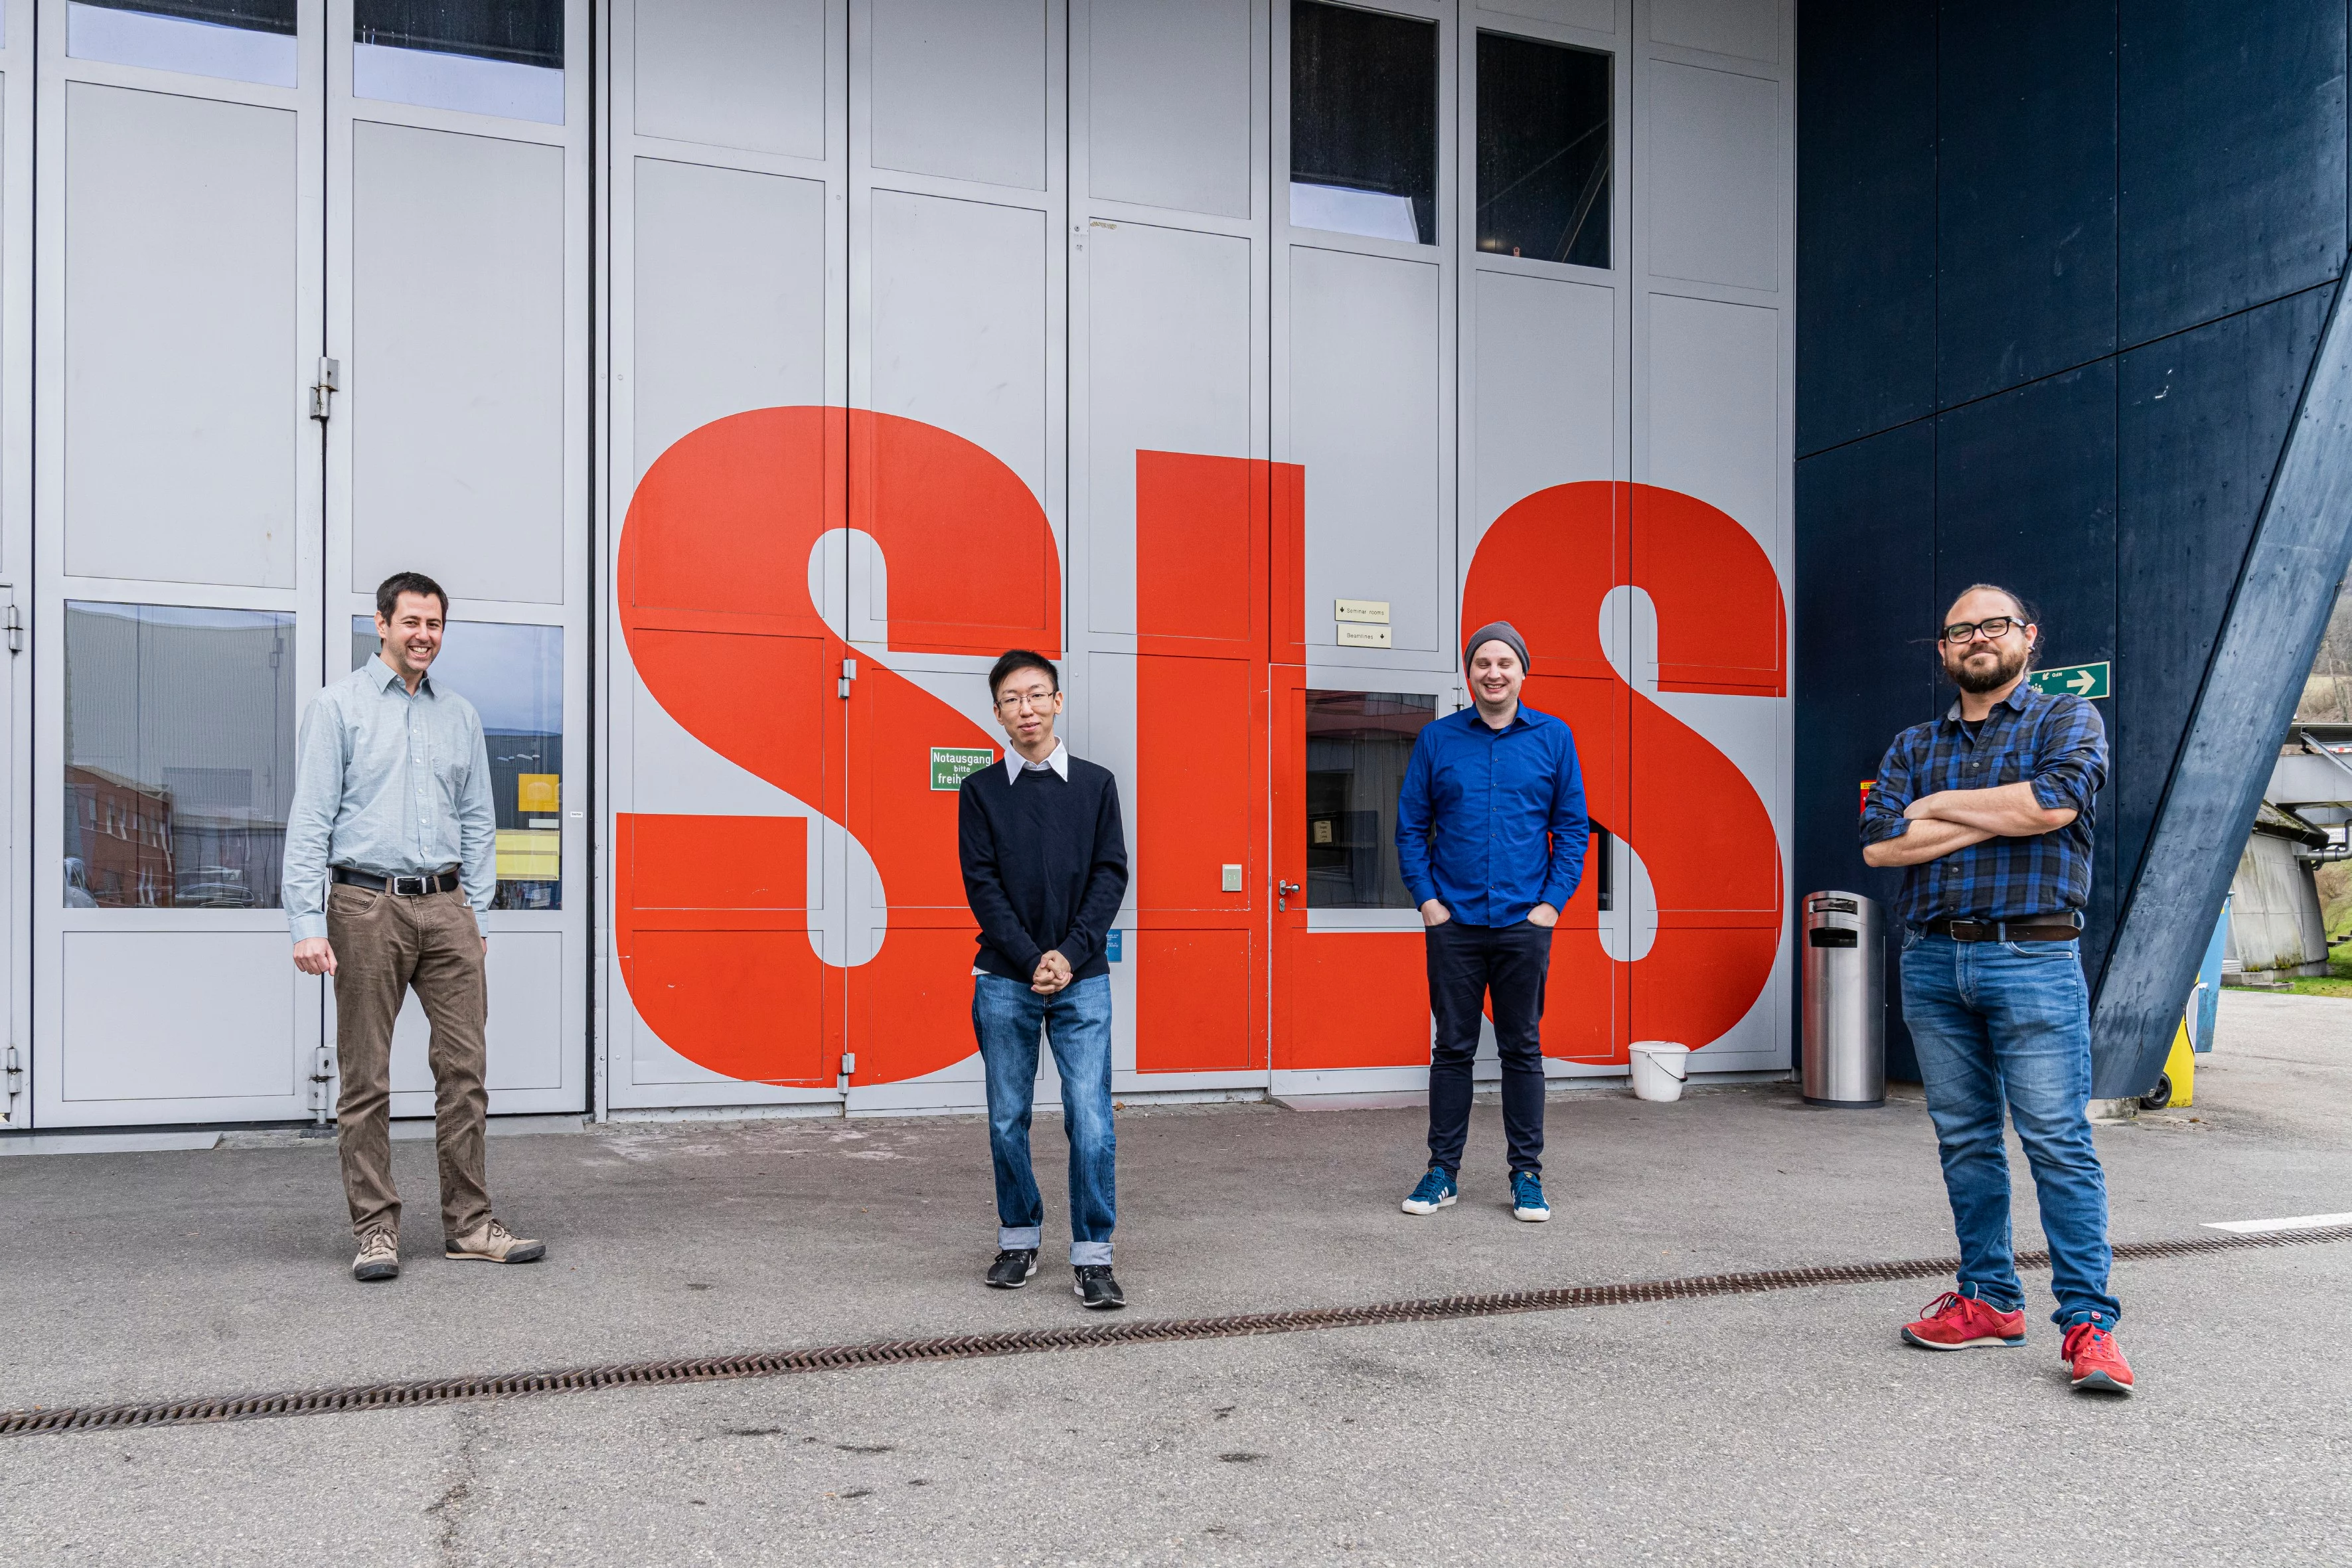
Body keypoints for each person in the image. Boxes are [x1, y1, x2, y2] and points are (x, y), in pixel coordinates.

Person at [1861, 584, 2131, 1395]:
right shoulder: (1912, 743)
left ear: (2027, 637)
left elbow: (2052, 804)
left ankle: (2089, 1325)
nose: (1977, 638)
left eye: (1994, 625)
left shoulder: (2066, 720)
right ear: (1944, 650)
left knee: (2056, 1140)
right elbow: (1880, 844)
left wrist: (1938, 806)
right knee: (1966, 1141)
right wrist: (1995, 812)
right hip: (1933, 960)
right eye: (1960, 630)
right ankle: (1988, 1299)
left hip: (2033, 957)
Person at [284, 572, 544, 1283]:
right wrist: (306, 920)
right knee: (365, 1077)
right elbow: (310, 819)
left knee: (465, 1071)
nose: (424, 635)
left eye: (434, 624)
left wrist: (476, 911)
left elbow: (478, 819)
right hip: (365, 905)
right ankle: (375, 1230)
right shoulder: (338, 707)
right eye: (411, 622)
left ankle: (470, 1225)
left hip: (447, 906)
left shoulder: (459, 715)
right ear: (382, 624)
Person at [1395, 621, 1589, 1223]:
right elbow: (1410, 827)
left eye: (1504, 662)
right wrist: (1427, 902)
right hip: (1453, 923)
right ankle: (1442, 1173)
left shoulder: (1553, 738)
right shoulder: (1438, 740)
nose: (1493, 673)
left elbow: (1573, 830)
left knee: (1521, 1048)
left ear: (1522, 671)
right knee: (1451, 1049)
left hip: (1521, 924)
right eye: (1482, 663)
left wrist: (1549, 906)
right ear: (1469, 673)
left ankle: (1526, 1175)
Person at [957, 650, 1131, 1308]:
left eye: (1036, 695)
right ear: (997, 713)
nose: (1025, 708)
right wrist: (1033, 957)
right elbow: (982, 885)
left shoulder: (1096, 785)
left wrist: (1069, 954)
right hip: (1006, 978)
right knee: (1009, 1118)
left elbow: (1110, 875)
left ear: (1058, 701)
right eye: (1012, 699)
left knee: (1091, 1119)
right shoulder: (980, 792)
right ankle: (1019, 1239)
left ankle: (1093, 1255)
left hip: (1082, 979)